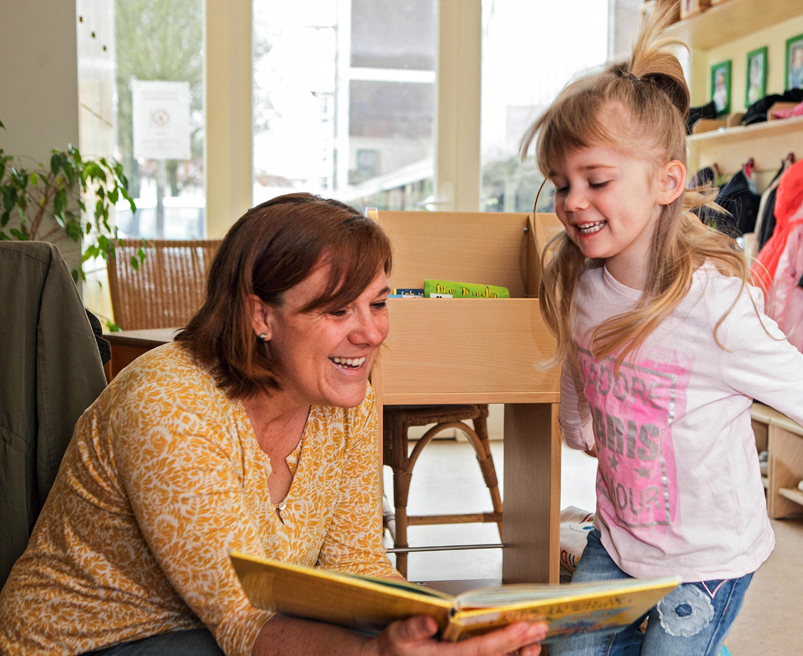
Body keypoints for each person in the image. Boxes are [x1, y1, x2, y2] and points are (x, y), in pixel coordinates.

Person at [520, 4, 803, 655]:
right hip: (621, 537)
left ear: (668, 181)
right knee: (570, 650)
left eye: (595, 180)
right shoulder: (582, 283)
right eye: (560, 184)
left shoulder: (713, 308)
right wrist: (574, 426)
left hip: (708, 561)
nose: (572, 201)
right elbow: (580, 362)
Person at [0, 194, 546, 656]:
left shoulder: (347, 399)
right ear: (260, 316)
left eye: (377, 304)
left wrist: (449, 630)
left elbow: (357, 564)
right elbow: (244, 619)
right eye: (337, 312)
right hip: (93, 640)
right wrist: (378, 650)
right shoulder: (168, 402)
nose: (371, 333)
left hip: (207, 634)